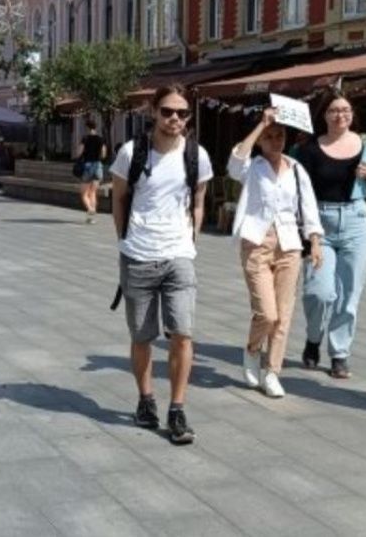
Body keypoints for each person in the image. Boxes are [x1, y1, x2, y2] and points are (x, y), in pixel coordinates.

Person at [110, 85, 212, 445]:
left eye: (182, 114)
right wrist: (124, 240)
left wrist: (191, 239)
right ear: (153, 111)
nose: (175, 119)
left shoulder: (197, 155)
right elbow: (119, 197)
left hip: (179, 257)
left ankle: (177, 408)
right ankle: (146, 399)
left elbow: (198, 200)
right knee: (142, 336)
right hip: (138, 254)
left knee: (182, 333)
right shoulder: (131, 152)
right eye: (168, 111)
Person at [228, 107, 324, 398]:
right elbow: (235, 163)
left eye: (279, 136)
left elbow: (308, 206)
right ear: (260, 141)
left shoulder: (296, 169)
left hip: (289, 245)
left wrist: (315, 241)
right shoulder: (252, 166)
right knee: (266, 313)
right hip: (256, 241)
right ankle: (252, 349)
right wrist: (261, 124)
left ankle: (272, 372)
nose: (275, 141)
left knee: (283, 315)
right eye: (269, 137)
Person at [297, 92, 366, 379]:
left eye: (346, 110)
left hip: (356, 221)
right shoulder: (310, 149)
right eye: (334, 110)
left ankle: (339, 354)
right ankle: (313, 338)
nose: (341, 115)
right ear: (324, 115)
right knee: (318, 292)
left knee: (349, 295)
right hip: (319, 223)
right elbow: (301, 192)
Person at [75, 119, 108, 224]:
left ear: (87, 127)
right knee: (93, 192)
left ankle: (90, 209)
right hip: (98, 166)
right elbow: (103, 154)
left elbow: (79, 153)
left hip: (88, 165)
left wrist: (80, 153)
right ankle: (91, 218)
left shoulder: (85, 138)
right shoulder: (101, 139)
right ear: (96, 127)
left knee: (84, 194)